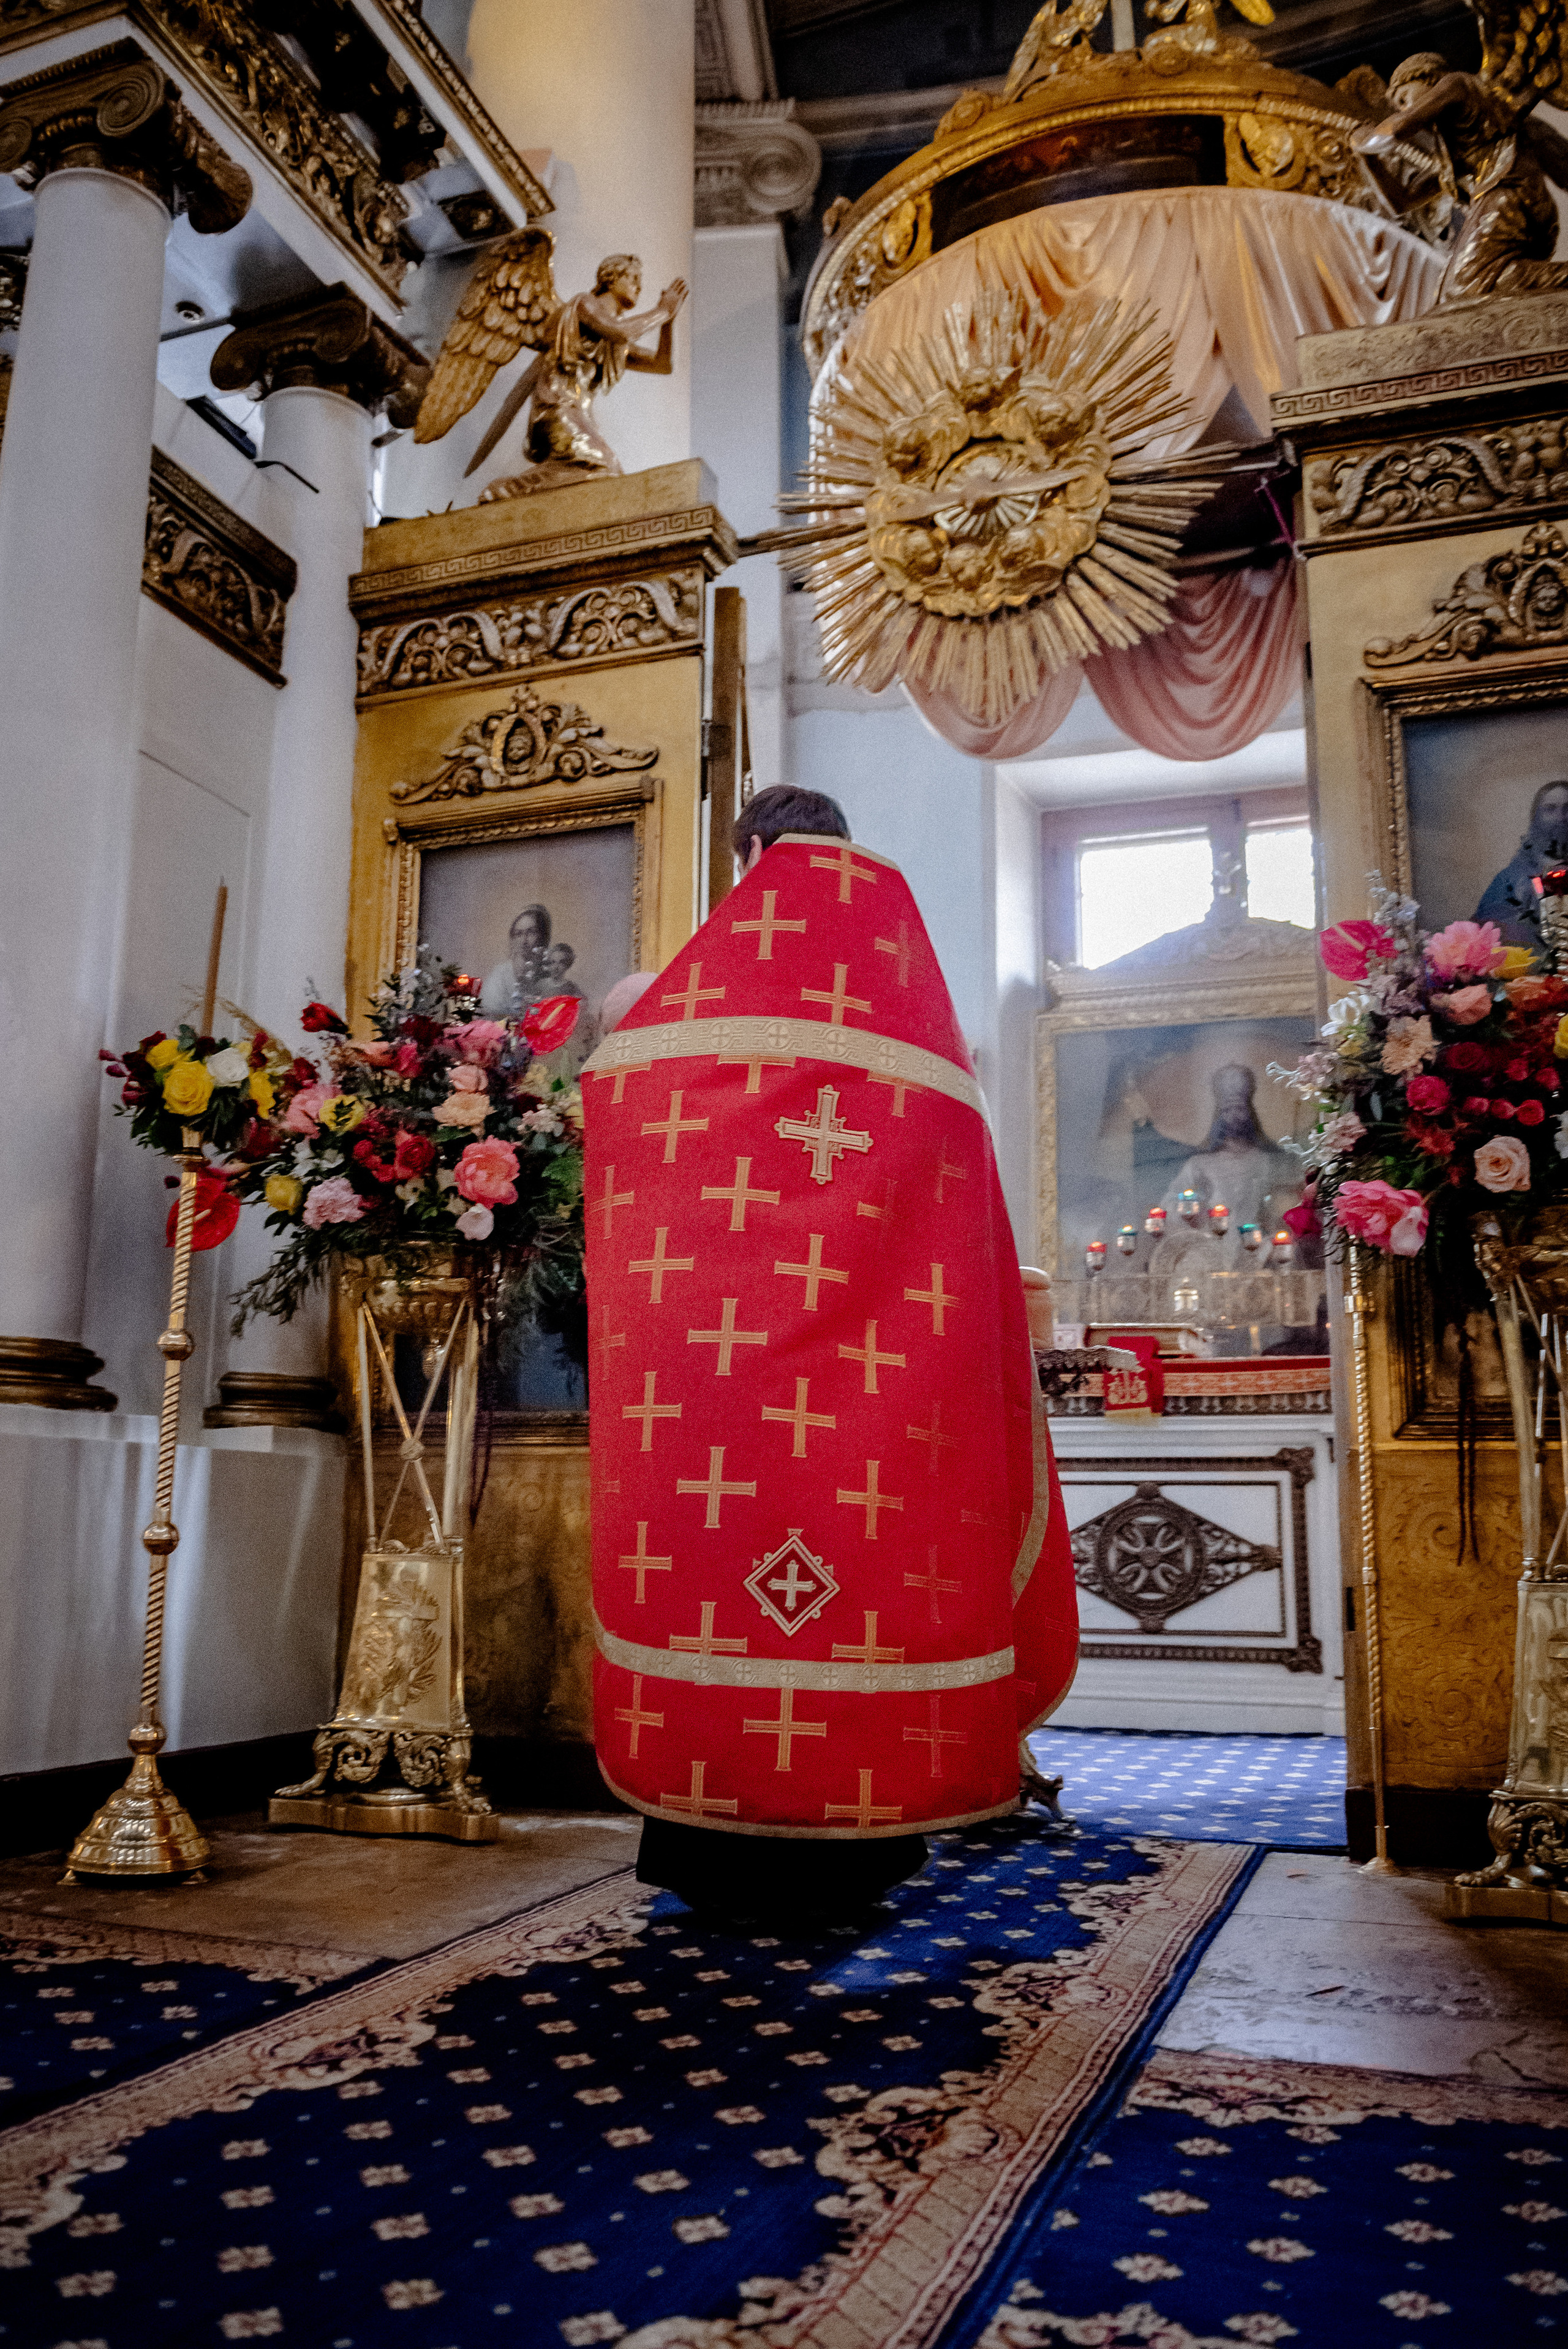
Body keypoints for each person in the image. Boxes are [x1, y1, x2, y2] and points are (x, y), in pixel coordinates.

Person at [581, 782, 1079, 1920]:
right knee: (866, 1578)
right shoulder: (919, 1029)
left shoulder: (686, 1027)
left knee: (720, 1569)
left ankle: (714, 1848)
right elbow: (968, 1240)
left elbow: (619, 1122)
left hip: (719, 1389)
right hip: (879, 1402)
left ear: (752, 852)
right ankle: (864, 1849)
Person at [1476, 781, 1568, 948]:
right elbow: (1487, 930)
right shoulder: (1508, 879)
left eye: (1567, 808)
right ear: (1536, 818)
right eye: (1550, 809)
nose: (1561, 817)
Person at [480, 904, 551, 1018]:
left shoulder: (549, 974)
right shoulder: (500, 974)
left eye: (532, 932)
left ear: (542, 937)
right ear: (513, 938)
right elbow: (489, 1011)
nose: (524, 941)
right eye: (519, 934)